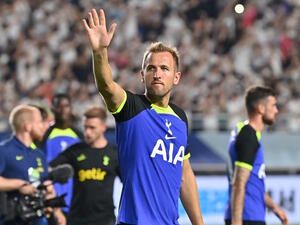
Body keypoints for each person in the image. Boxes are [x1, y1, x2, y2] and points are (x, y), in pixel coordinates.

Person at [82, 8, 204, 225]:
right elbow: (107, 86)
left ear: (176, 77)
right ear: (142, 75)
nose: (157, 74)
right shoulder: (132, 108)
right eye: (151, 68)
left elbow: (185, 173)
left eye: (164, 68)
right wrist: (100, 52)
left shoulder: (180, 118)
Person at [224, 86, 289, 225]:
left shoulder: (244, 132)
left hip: (249, 215)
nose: (276, 110)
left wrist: (275, 207)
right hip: (247, 217)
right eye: (273, 105)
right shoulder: (248, 137)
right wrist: (236, 222)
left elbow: (251, 183)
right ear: (261, 108)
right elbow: (239, 182)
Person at [50, 106, 120, 225]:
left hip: (105, 219)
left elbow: (130, 183)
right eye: (85, 127)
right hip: (77, 219)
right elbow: (49, 170)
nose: (87, 132)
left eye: (92, 128)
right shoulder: (75, 151)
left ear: (104, 127)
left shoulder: (114, 154)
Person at [0, 105, 53, 225]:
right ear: (27, 126)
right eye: (40, 121)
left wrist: (50, 199)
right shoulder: (4, 151)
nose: (44, 126)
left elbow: (44, 183)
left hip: (38, 219)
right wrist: (18, 185)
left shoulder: (38, 155)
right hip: (12, 219)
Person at [42, 94, 83, 215]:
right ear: (53, 109)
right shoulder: (45, 134)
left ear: (71, 108)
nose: (63, 109)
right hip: (51, 194)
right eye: (59, 106)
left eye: (66, 106)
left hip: (74, 194)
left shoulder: (79, 135)